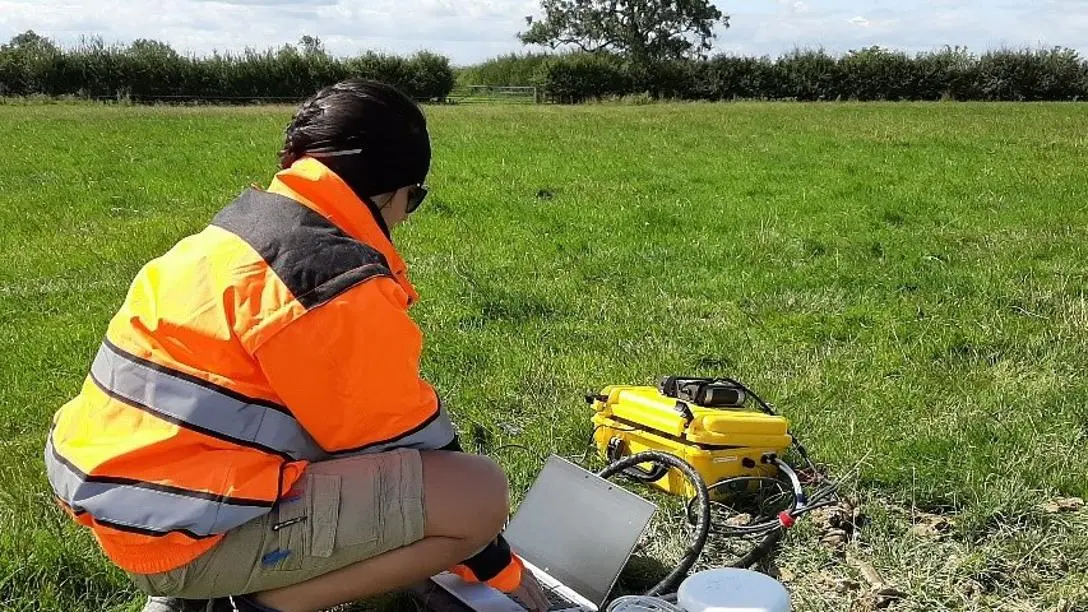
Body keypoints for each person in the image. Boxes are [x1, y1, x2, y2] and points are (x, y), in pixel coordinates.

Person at [43, 79, 550, 612]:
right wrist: (497, 566)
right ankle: (255, 603)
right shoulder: (329, 279)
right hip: (183, 535)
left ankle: (194, 592)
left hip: (132, 507)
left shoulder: (234, 237)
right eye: (414, 198)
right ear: (389, 191)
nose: (407, 215)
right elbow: (410, 445)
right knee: (477, 494)